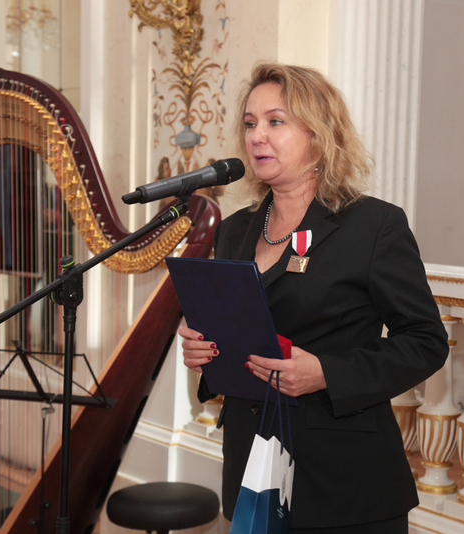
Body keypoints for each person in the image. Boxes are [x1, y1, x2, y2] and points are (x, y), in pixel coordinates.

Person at [179, 63, 448, 533]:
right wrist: (207, 350)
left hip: (343, 484)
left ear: (319, 136)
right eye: (249, 123)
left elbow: (426, 340)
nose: (257, 136)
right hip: (253, 468)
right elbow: (243, 333)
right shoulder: (235, 230)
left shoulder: (372, 226)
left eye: (275, 121)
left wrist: (327, 373)